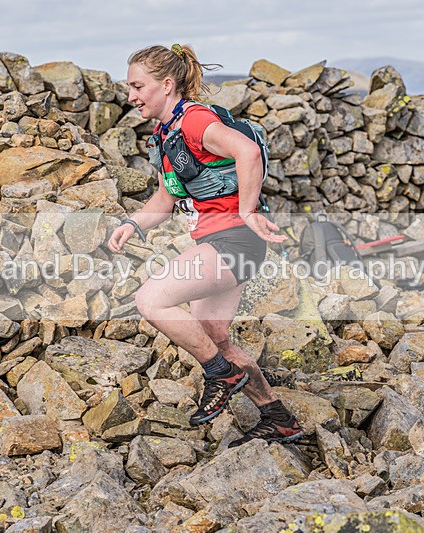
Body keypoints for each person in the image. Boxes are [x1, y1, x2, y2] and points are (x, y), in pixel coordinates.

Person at [107, 43, 302, 447]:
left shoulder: (194, 121)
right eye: (130, 87)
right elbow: (165, 197)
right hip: (221, 240)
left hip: (235, 239)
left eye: (137, 86)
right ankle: (277, 417)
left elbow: (247, 152)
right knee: (214, 336)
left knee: (151, 299)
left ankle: (219, 374)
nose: (131, 96)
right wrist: (133, 224)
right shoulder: (165, 134)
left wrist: (248, 209)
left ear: (166, 83)